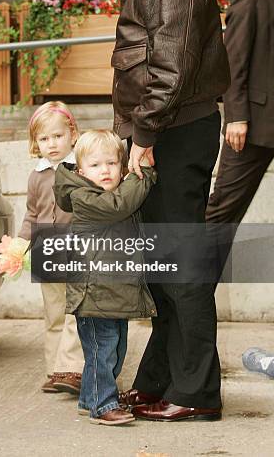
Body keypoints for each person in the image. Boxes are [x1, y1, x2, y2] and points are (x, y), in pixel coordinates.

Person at [92, 0, 230, 422]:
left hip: (173, 133)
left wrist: (142, 137)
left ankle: (196, 393)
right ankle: (162, 379)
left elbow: (169, 68)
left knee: (181, 268)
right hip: (165, 131)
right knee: (163, 269)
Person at [54, 130, 157, 425]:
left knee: (113, 348)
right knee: (103, 351)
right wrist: (144, 173)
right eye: (97, 165)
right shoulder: (85, 198)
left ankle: (90, 398)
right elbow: (120, 206)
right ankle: (103, 404)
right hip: (94, 293)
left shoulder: (108, 192)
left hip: (112, 291)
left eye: (112, 163)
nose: (106, 170)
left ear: (122, 165)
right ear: (81, 170)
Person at [206, 0, 274, 228]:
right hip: (253, 126)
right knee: (222, 213)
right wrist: (236, 117)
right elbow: (232, 64)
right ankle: (192, 277)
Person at [19, 101, 84, 394]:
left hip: (77, 252)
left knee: (76, 313)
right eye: (44, 139)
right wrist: (19, 246)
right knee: (54, 314)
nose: (52, 144)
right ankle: (55, 370)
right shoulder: (37, 176)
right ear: (36, 143)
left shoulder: (81, 168)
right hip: (48, 254)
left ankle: (74, 370)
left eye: (57, 136)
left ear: (72, 134)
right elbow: (31, 215)